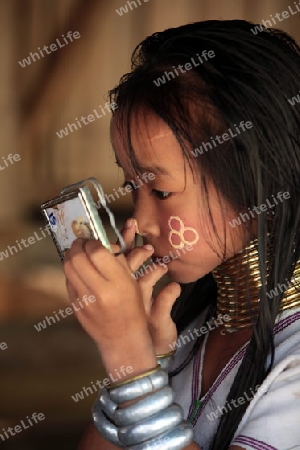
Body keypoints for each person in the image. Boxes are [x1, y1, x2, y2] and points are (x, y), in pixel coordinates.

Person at [63, 20, 300, 450]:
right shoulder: (185, 327)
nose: (142, 221)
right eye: (134, 187)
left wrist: (129, 358)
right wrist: (144, 359)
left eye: (162, 191)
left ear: (256, 181)